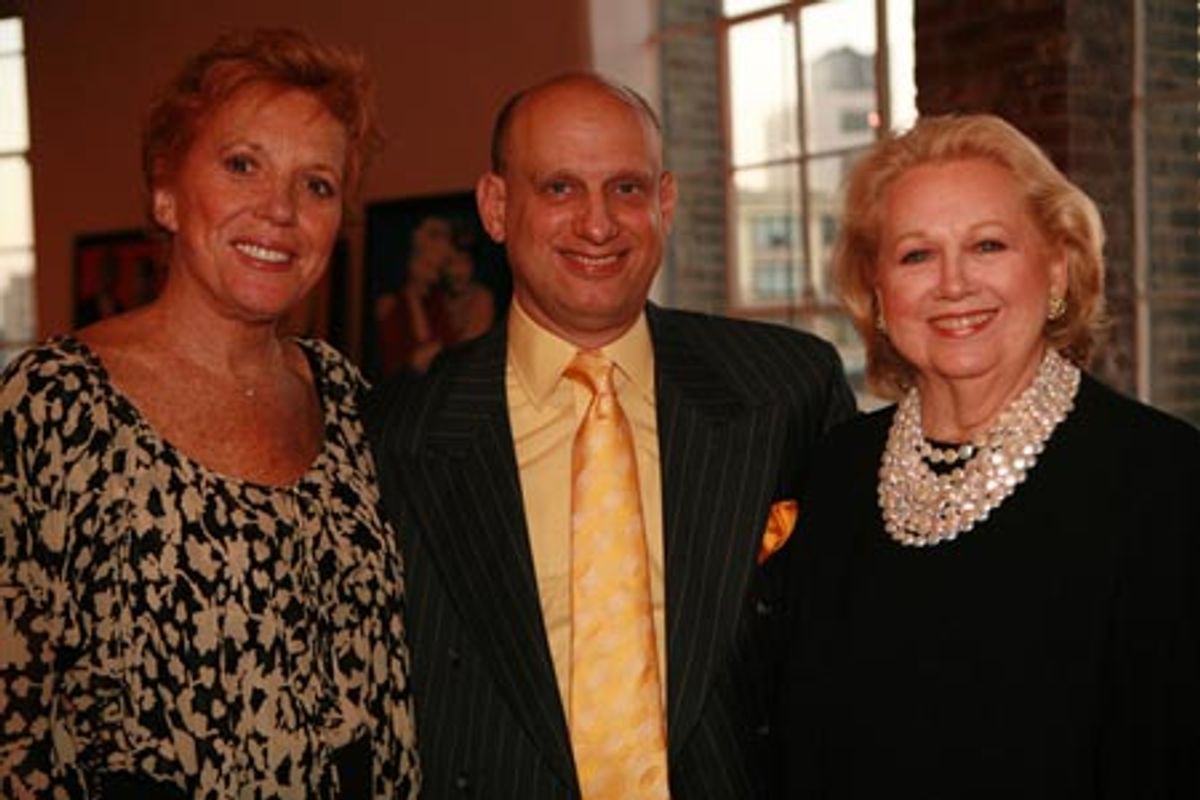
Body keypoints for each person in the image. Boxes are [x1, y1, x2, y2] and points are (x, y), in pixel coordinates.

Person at [365, 72, 856, 799]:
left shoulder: (789, 391)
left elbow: (855, 651)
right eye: (559, 188)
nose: (598, 224)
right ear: (497, 208)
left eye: (625, 189)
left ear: (664, 202)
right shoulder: (394, 436)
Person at [0, 29, 419, 798]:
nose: (280, 211)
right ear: (165, 191)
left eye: (317, 185)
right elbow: (13, 723)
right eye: (241, 165)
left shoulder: (353, 401)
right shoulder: (52, 405)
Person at [777, 114, 1200, 798]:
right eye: (916, 255)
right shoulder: (837, 472)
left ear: (1057, 267)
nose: (953, 285)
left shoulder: (1163, 482)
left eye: (988, 245)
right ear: (878, 292)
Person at [375, 215, 457, 374]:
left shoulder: (437, 301)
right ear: (410, 260)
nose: (433, 276)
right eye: (427, 265)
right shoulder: (390, 304)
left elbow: (448, 346)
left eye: (438, 268)